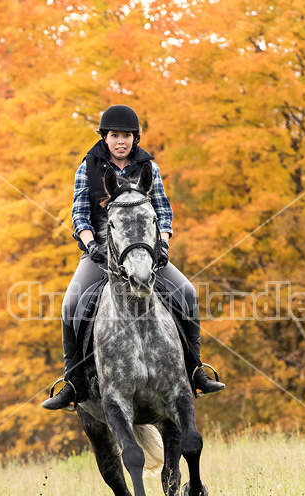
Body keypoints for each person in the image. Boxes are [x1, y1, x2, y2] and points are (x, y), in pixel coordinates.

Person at [42, 105, 225, 410]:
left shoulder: (148, 168)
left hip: (144, 253)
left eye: (126, 136)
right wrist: (91, 245)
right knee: (71, 303)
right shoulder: (87, 167)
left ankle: (196, 370)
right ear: (105, 137)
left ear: (134, 138)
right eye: (115, 135)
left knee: (189, 293)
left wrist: (162, 244)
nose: (121, 141)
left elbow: (163, 210)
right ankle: (72, 381)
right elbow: (79, 214)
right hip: (99, 253)